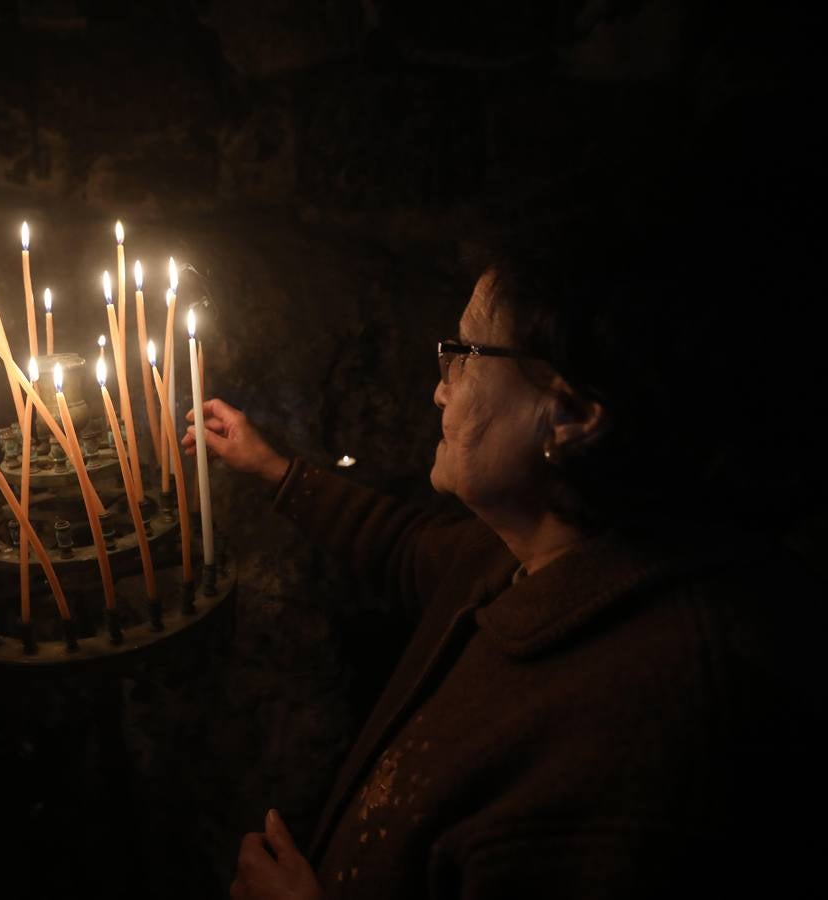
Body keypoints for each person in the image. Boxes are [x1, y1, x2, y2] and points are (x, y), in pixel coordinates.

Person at [187, 183, 824, 898]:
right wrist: (271, 467)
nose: (440, 388)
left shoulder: (645, 733)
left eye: (465, 354)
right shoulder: (537, 550)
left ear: (572, 415)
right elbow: (405, 548)